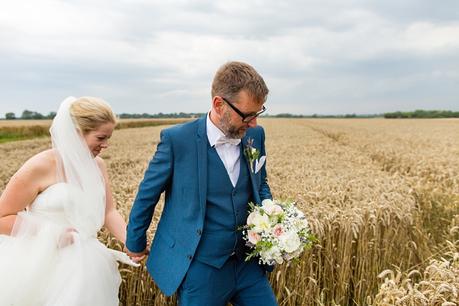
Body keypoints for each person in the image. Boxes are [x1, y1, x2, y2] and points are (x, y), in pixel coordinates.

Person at [125, 61, 278, 305]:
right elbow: (147, 194)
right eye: (248, 115)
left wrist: (275, 222)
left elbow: (261, 183)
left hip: (248, 264)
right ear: (219, 105)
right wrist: (135, 241)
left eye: (258, 114)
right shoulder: (177, 140)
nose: (254, 124)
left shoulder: (255, 136)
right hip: (201, 268)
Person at [0, 96, 138, 306]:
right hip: (42, 265)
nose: (106, 145)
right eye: (101, 138)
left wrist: (131, 242)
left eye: (108, 138)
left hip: (88, 265)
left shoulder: (98, 165)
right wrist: (54, 234)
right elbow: (2, 217)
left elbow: (109, 212)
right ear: (76, 133)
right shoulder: (39, 166)